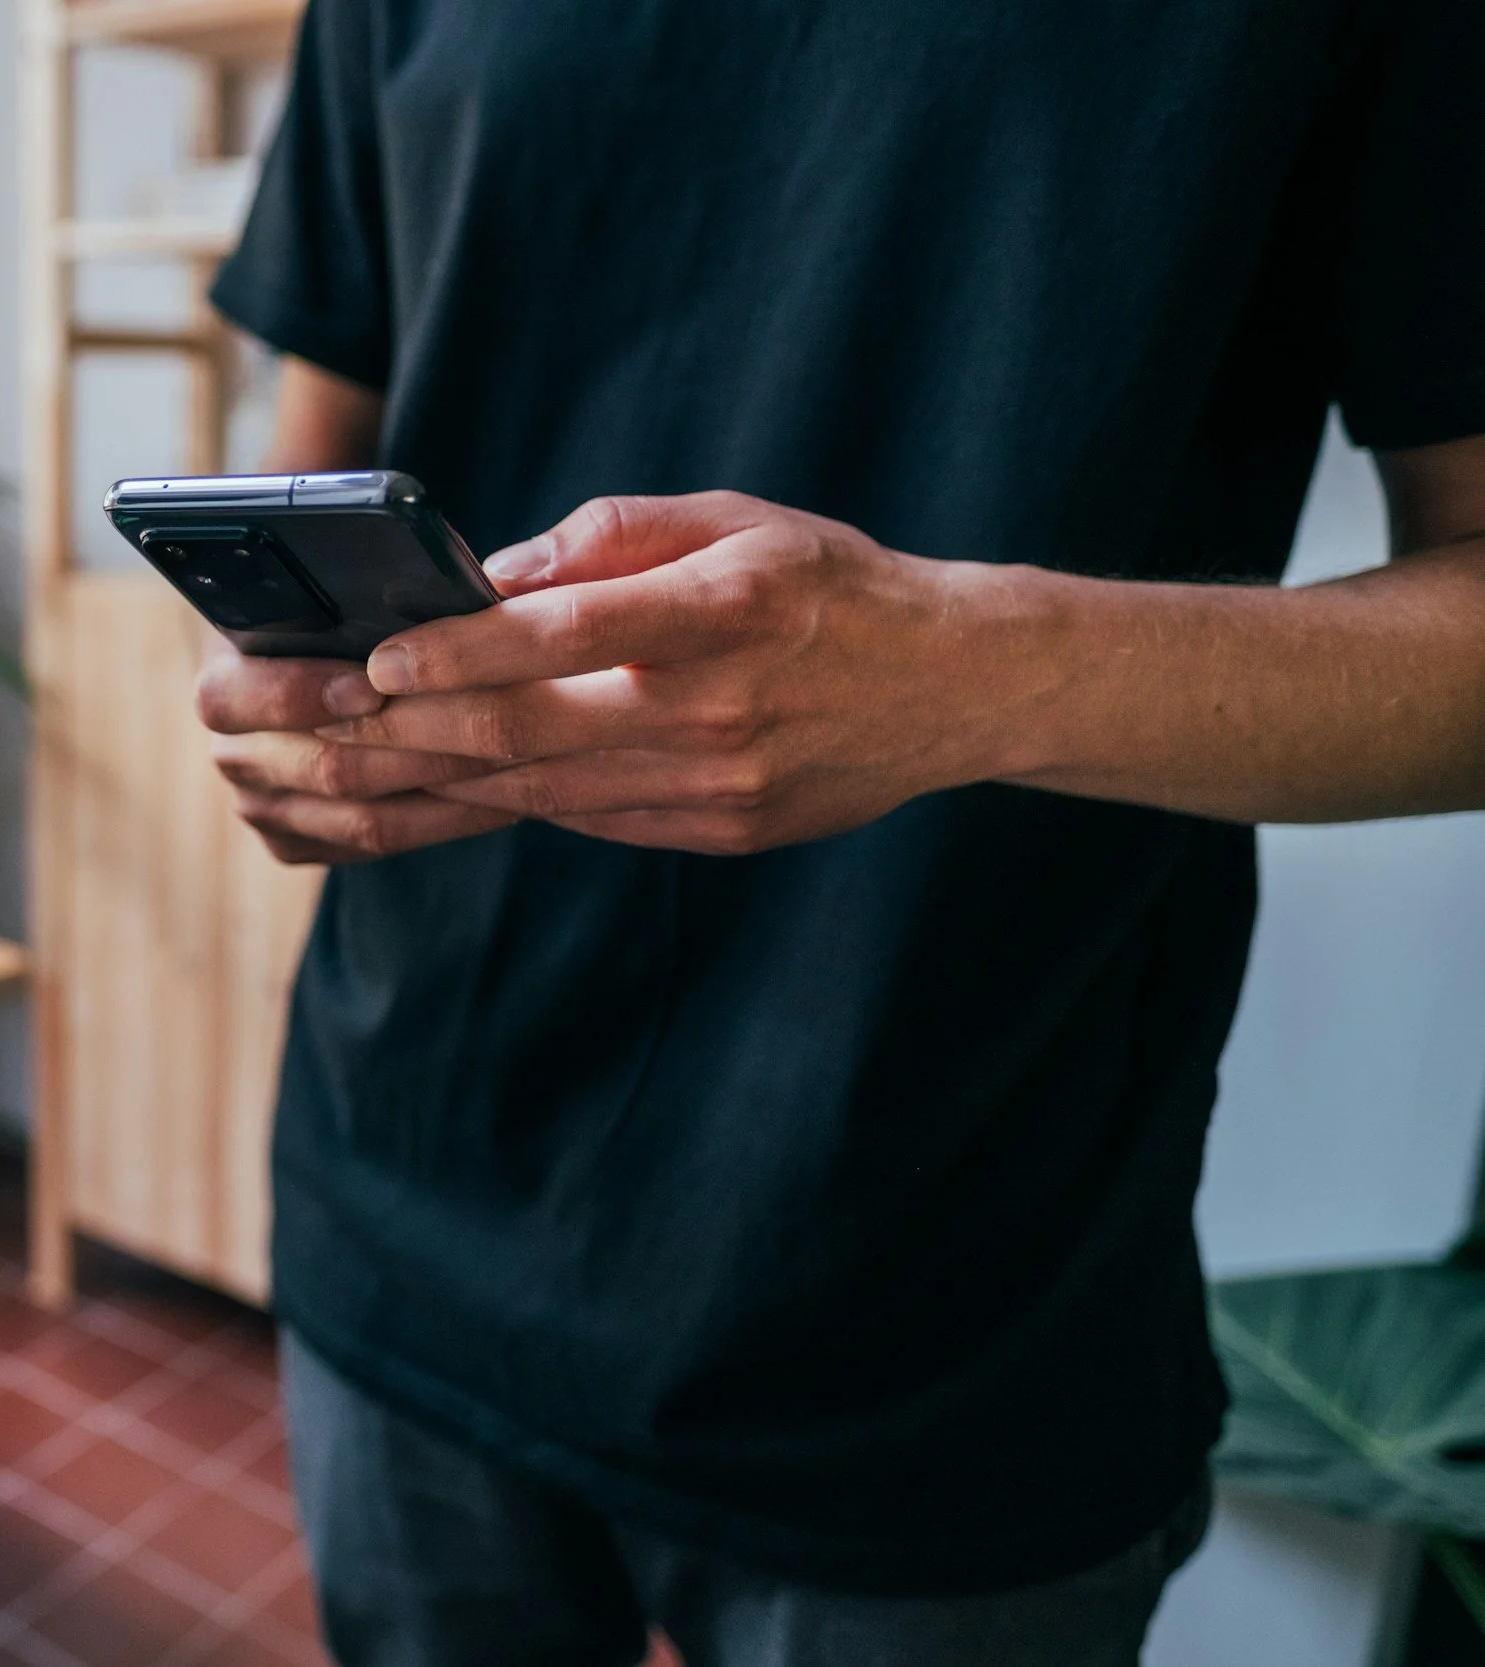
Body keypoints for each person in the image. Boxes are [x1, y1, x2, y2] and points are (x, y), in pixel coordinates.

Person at [193, 2, 1485, 1663]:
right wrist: (273, 706)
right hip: (407, 1201)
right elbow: (314, 454)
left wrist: (971, 675)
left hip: (954, 1305)